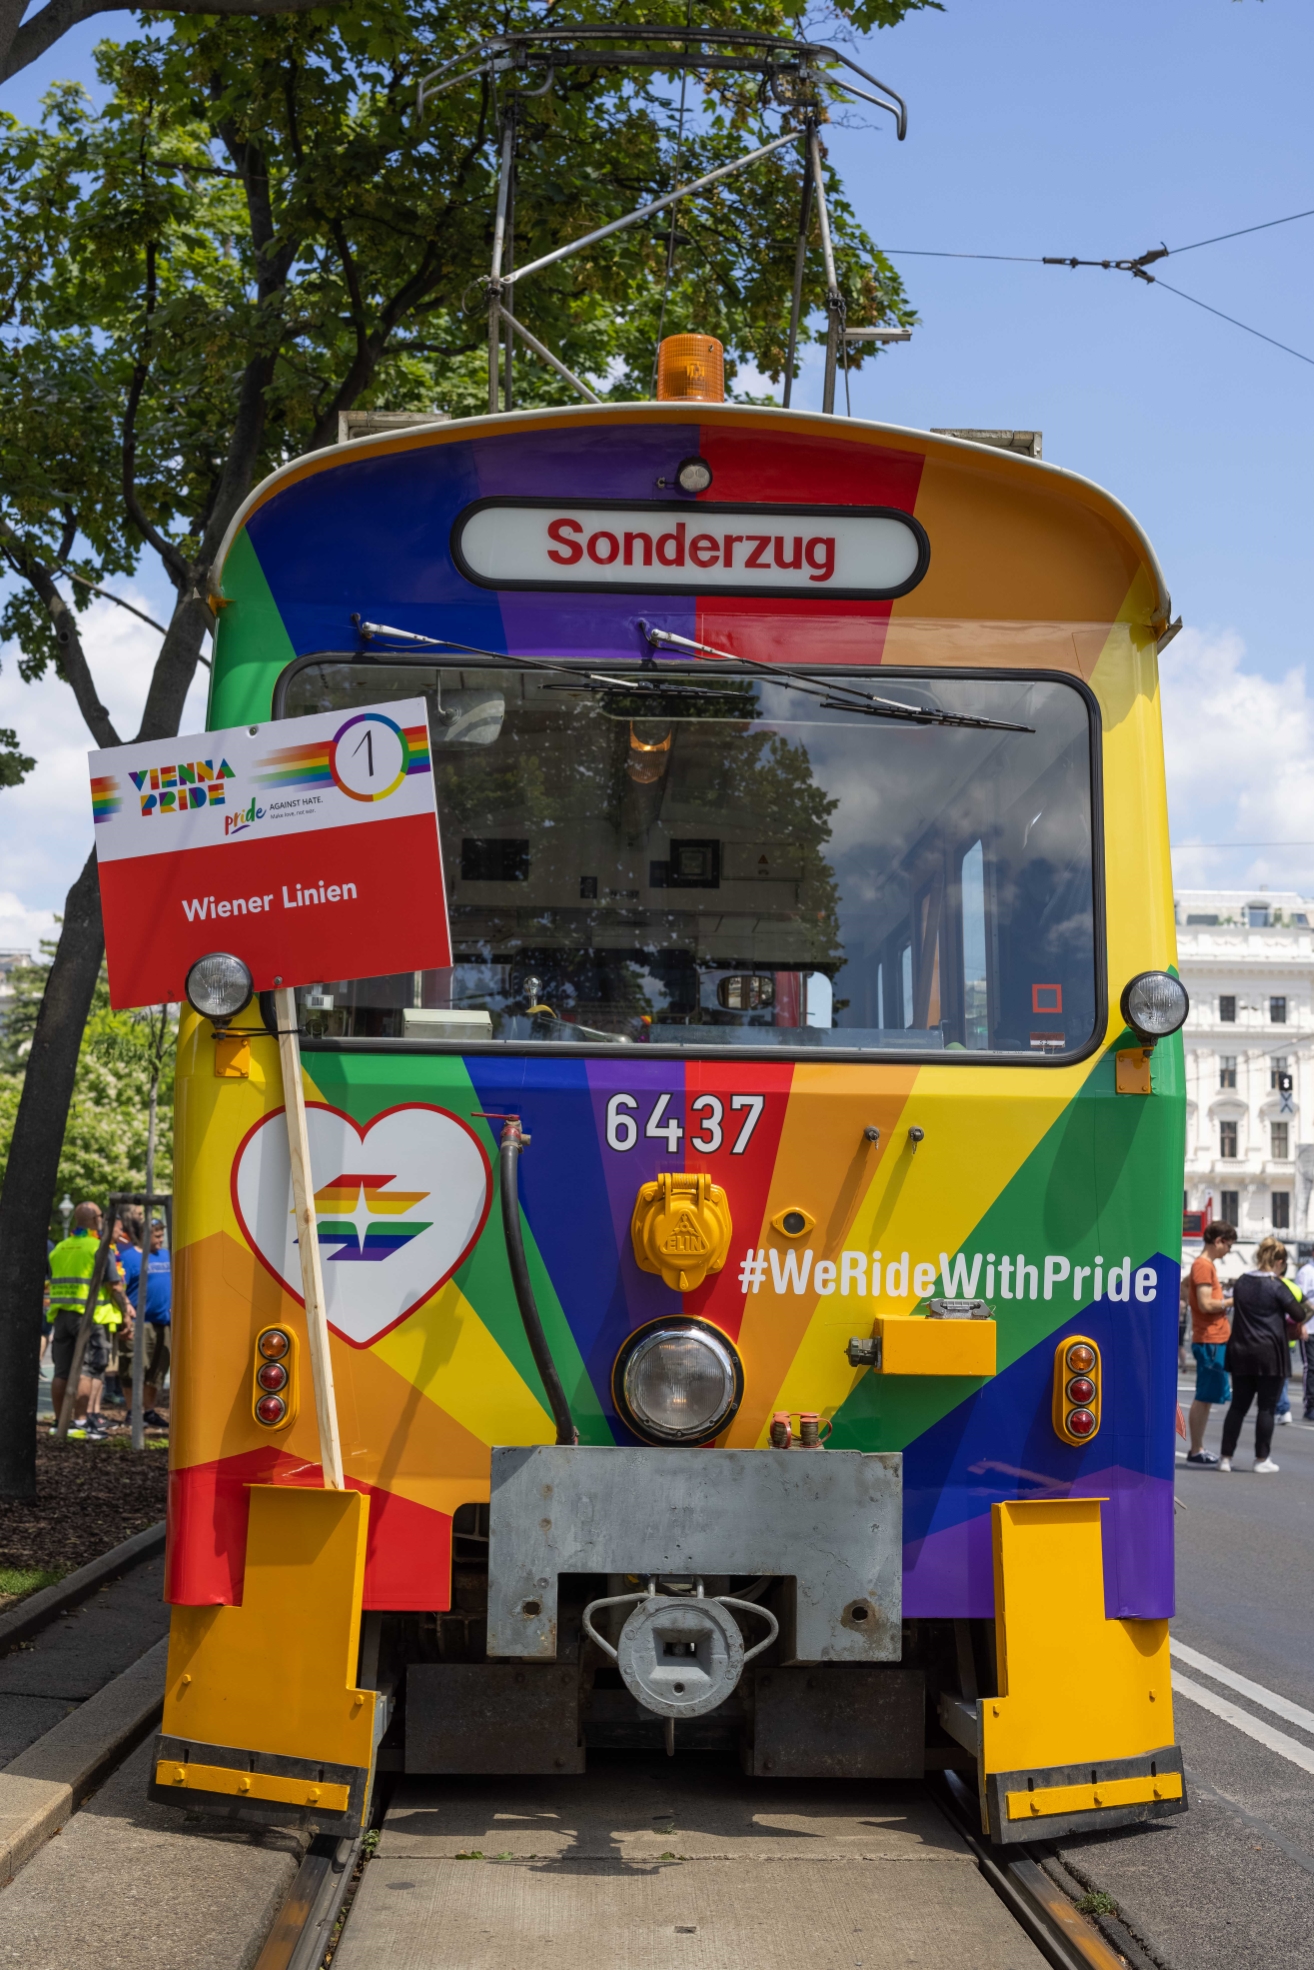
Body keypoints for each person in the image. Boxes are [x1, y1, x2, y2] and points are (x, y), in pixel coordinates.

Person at [1219, 1235, 1306, 1473]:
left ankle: (1225, 1458)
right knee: (1266, 1408)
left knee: (1237, 1407)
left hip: (1241, 1351)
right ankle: (1261, 1459)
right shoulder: (1277, 1286)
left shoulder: (1242, 1282)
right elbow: (1298, 1314)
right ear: (1279, 1261)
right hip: (1270, 1354)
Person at [47, 1201, 129, 1440]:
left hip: (61, 1316)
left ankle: (60, 1421)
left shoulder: (60, 1248)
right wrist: (125, 1314)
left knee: (61, 1371)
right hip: (89, 1318)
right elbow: (114, 1286)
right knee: (89, 1369)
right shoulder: (99, 1248)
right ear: (95, 1220)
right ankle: (82, 1422)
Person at [1185, 1220, 1236, 1466]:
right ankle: (1196, 1449)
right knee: (1204, 1396)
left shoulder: (1202, 1265)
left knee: (1206, 1396)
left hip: (1211, 1338)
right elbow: (1205, 1304)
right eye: (1228, 1245)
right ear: (1218, 1241)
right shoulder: (1204, 1266)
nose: (1228, 1251)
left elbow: (1186, 1287)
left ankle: (1198, 1448)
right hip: (1210, 1338)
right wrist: (1231, 1301)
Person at [119, 1216, 171, 1427]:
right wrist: (125, 1311)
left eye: (161, 1235)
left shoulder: (166, 1256)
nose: (161, 1240)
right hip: (139, 1323)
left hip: (164, 1323)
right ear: (144, 1235)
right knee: (134, 1368)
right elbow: (119, 1287)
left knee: (157, 1370)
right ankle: (133, 1412)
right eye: (157, 1236)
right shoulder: (129, 1258)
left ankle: (149, 1411)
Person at [1296, 1250, 1314, 1420]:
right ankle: (1310, 1405)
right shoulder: (1306, 1272)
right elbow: (1299, 1300)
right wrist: (1300, 1324)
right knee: (1311, 1367)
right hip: (1309, 1328)